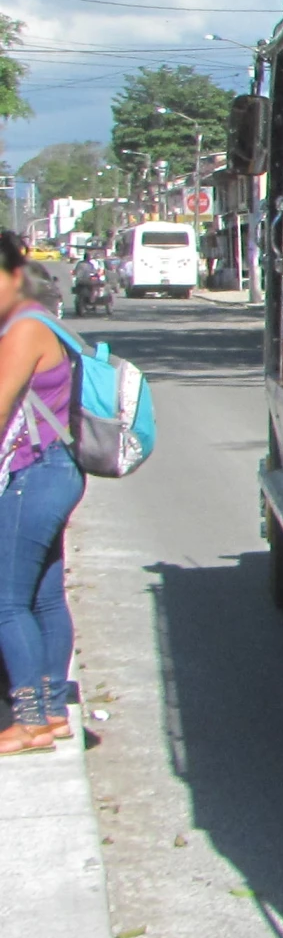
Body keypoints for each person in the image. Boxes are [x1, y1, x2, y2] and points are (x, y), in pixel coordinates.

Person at [0, 231, 86, 755]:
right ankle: (53, 710)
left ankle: (29, 719)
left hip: (35, 474)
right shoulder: (43, 320)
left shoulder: (24, 331)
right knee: (45, 596)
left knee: (6, 602)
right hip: (60, 470)